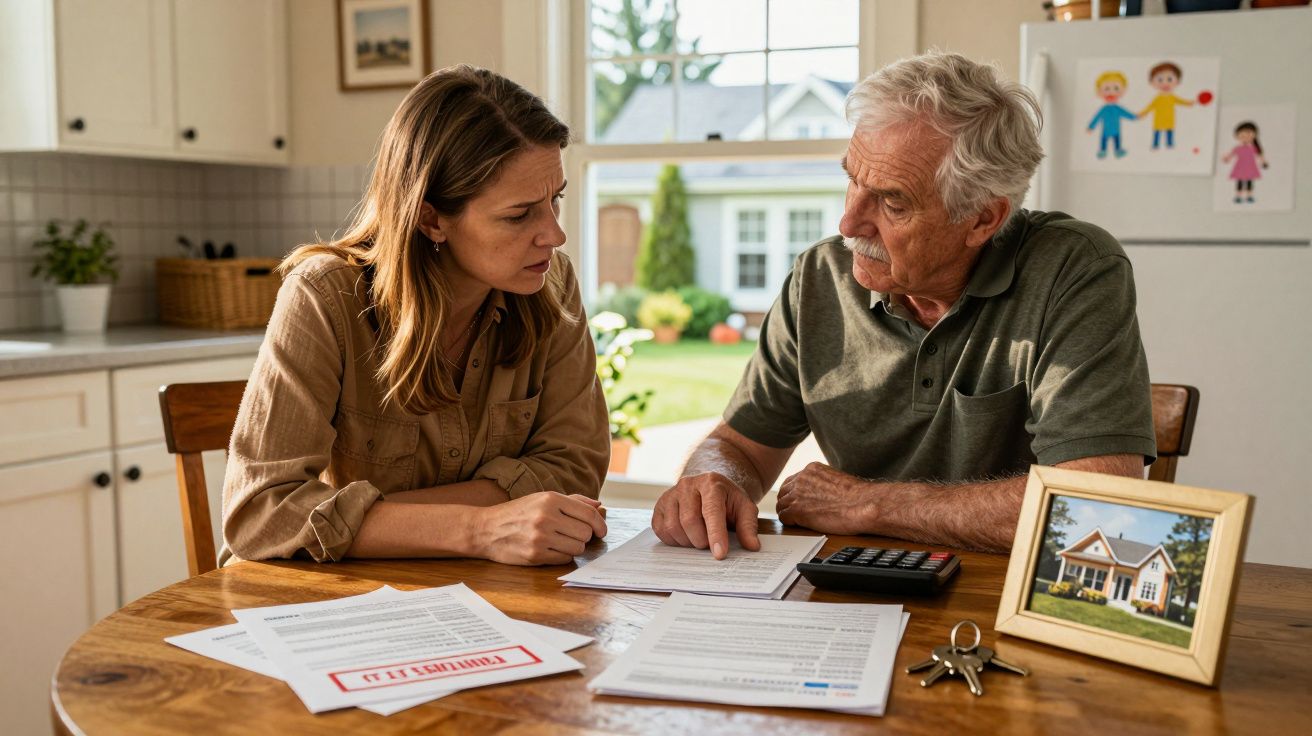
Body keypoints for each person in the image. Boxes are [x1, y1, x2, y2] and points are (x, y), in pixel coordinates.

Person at [652, 52, 1156, 557]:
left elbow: (1096, 505)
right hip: (852, 593)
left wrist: (873, 505)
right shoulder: (819, 277)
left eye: (893, 203)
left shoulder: (1075, 269)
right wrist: (710, 479)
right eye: (852, 179)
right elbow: (741, 446)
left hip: (1001, 600)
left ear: (983, 219)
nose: (849, 223)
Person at [222, 65, 609, 567]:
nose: (554, 235)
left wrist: (371, 520)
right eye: (519, 215)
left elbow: (575, 469)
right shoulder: (325, 295)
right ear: (431, 218)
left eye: (554, 201)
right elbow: (260, 513)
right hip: (325, 601)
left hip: (485, 595)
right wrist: (479, 529)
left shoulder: (551, 284)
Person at [1137, 62, 1193, 150]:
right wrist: (1143, 113)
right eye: (1160, 80)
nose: (1165, 83)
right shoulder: (1157, 98)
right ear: (1152, 82)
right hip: (1158, 120)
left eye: (1170, 79)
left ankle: (1169, 144)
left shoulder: (1172, 97)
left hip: (1169, 120)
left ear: (1177, 81)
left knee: (1169, 132)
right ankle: (1155, 144)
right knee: (1157, 133)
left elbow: (1181, 101)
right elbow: (1150, 106)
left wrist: (1189, 103)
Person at [1086, 71, 1136, 159]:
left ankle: (1118, 150)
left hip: (1116, 129)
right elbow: (1097, 118)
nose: (1111, 92)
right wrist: (1091, 127)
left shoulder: (1118, 108)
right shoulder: (1104, 109)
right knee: (1104, 141)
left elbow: (1125, 113)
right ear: (1099, 92)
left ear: (1122, 91)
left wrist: (1133, 116)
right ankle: (1102, 151)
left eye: (1116, 88)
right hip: (1105, 130)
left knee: (1117, 140)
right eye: (1106, 89)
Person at [1221, 121, 1268, 204]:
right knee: (1239, 182)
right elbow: (1230, 155)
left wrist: (1263, 163)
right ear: (1237, 136)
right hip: (1240, 167)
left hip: (1250, 167)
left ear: (1254, 135)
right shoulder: (1237, 148)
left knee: (1249, 182)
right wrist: (1226, 159)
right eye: (1242, 135)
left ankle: (1249, 196)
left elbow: (1260, 156)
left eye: (1248, 133)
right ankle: (1238, 196)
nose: (1245, 136)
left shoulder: (1254, 148)